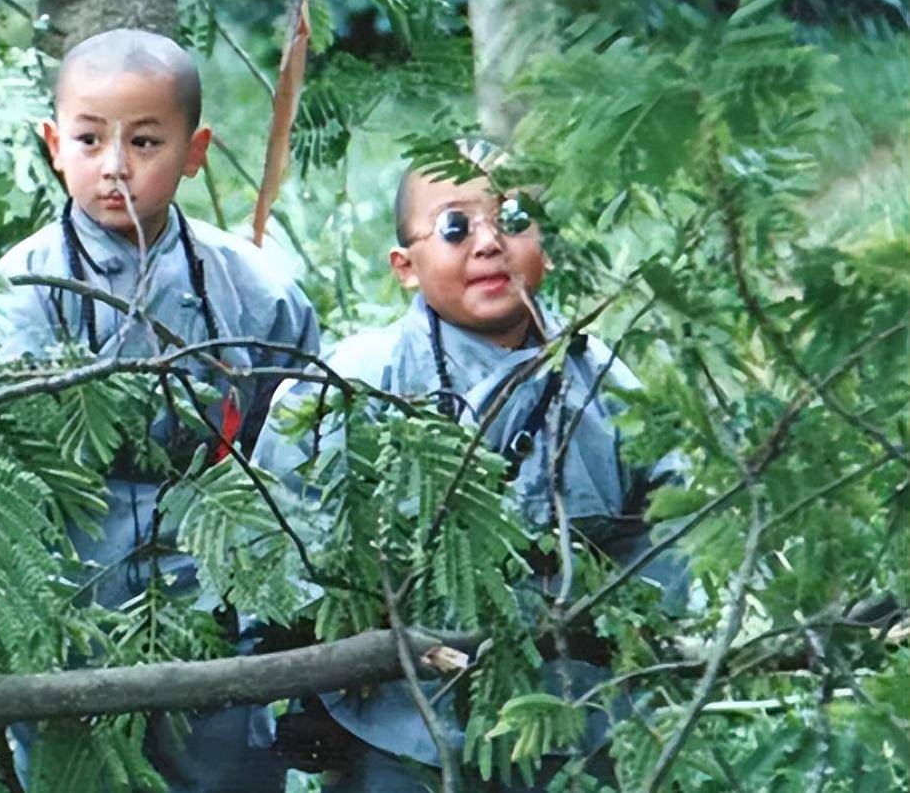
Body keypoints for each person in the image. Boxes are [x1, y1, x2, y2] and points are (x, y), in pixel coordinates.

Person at [254, 141, 686, 792]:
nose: (489, 244)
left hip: (573, 719)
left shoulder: (608, 387)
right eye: (455, 226)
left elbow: (669, 542)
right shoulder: (354, 385)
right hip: (400, 729)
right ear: (404, 265)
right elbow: (277, 548)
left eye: (512, 219)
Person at [0, 28, 320, 792]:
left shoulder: (254, 288)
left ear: (195, 152)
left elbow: (298, 442)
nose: (115, 168)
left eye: (145, 142)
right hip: (69, 587)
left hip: (215, 582)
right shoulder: (16, 290)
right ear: (53, 143)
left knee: (225, 767)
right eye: (90, 140)